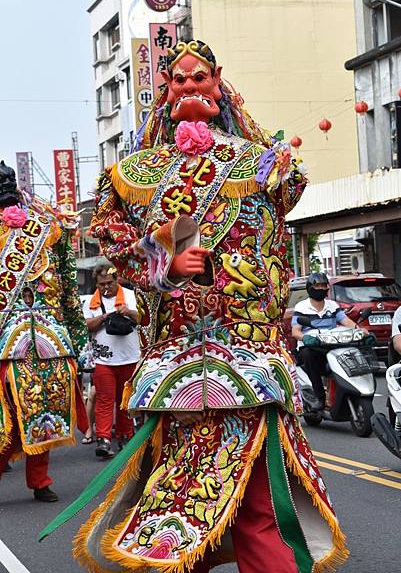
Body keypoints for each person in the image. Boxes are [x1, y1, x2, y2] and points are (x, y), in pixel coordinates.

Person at [74, 40, 348, 572]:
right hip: (176, 365)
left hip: (249, 361)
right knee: (176, 513)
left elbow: (291, 187)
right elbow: (108, 236)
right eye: (179, 80)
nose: (189, 87)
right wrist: (162, 258)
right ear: (165, 89)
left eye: (200, 78)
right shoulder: (136, 171)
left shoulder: (263, 162)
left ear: (218, 81)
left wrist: (234, 113)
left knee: (259, 513)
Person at [0, 161, 92, 502]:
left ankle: (40, 480)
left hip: (50, 338)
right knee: (8, 413)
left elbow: (68, 288)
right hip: (7, 340)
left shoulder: (46, 229)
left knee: (47, 409)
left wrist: (79, 340)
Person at [83, 265, 140, 458]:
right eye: (101, 284)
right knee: (105, 401)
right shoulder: (92, 302)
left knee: (125, 401)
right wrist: (104, 317)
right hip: (104, 361)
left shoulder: (131, 296)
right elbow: (86, 326)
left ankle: (125, 435)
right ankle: (104, 439)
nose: (106, 287)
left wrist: (128, 312)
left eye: (109, 283)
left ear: (117, 280)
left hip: (130, 358)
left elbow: (144, 318)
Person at [292, 271, 364, 410]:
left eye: (323, 286)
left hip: (332, 345)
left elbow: (346, 321)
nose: (320, 288)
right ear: (309, 288)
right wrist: (306, 338)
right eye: (317, 285)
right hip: (312, 347)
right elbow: (296, 331)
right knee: (308, 355)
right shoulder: (301, 307)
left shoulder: (332, 305)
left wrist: (360, 330)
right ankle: (320, 397)